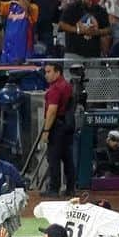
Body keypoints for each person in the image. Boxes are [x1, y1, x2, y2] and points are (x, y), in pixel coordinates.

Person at [41, 62, 75, 197]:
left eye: (49, 72)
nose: (46, 75)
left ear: (58, 72)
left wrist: (46, 131)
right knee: (67, 158)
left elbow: (52, 111)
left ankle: (54, 189)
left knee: (53, 158)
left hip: (57, 126)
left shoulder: (55, 88)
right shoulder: (67, 85)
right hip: (68, 125)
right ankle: (71, 188)